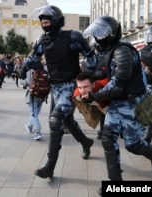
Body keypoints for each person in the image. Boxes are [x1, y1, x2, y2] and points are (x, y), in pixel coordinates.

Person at [82, 16, 152, 189]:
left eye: (100, 35)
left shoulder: (123, 51)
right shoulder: (108, 51)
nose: (97, 39)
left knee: (132, 145)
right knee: (107, 139)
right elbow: (104, 72)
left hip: (132, 104)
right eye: (96, 35)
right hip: (117, 103)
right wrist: (87, 79)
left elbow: (117, 86)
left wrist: (93, 97)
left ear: (111, 35)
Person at [19, 5, 97, 179]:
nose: (44, 23)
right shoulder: (42, 40)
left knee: (55, 121)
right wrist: (25, 67)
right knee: (67, 120)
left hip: (71, 86)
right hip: (55, 87)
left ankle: (49, 166)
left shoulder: (73, 36)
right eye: (42, 21)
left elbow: (91, 56)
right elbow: (33, 57)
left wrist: (92, 77)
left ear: (57, 21)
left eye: (47, 20)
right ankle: (86, 142)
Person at [73, 71, 109, 139]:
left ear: (93, 85)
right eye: (80, 87)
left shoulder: (105, 86)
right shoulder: (78, 94)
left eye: (86, 87)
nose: (83, 91)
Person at [20, 62, 45, 140]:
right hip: (42, 93)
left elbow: (26, 82)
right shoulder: (43, 67)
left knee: (33, 113)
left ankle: (38, 132)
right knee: (35, 112)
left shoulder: (30, 69)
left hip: (33, 94)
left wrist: (22, 82)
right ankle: (29, 126)